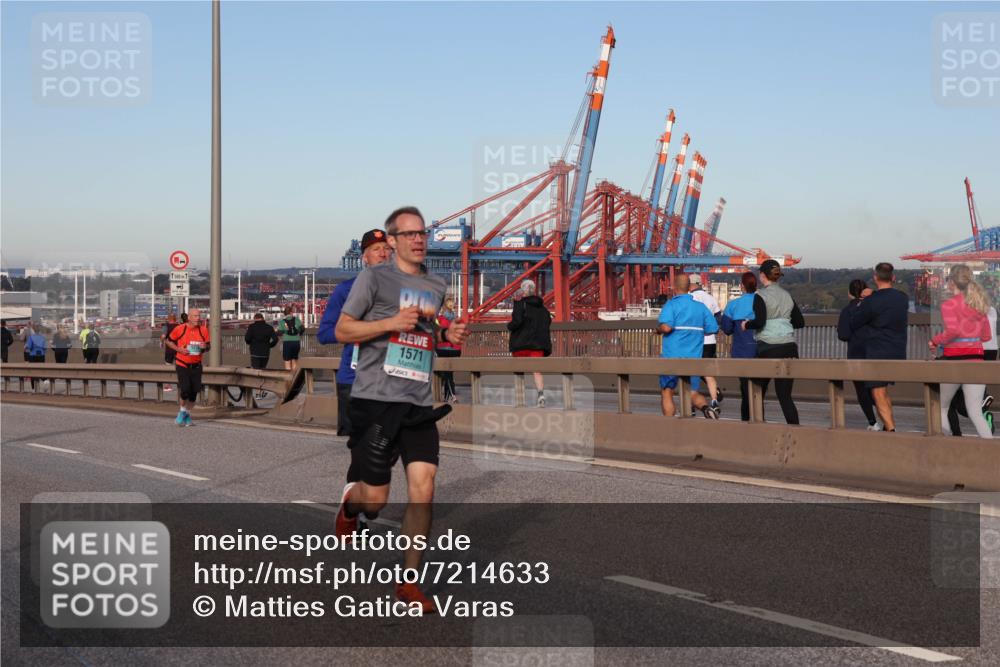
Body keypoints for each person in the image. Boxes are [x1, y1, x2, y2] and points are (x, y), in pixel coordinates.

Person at [333, 205, 468, 613]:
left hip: (417, 402)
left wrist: (446, 330)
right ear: (391, 241)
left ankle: (409, 583)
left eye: (422, 233)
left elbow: (427, 327)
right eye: (408, 234)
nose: (418, 239)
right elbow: (342, 329)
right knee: (375, 501)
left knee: (423, 489)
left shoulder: (436, 285)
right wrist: (389, 323)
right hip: (375, 399)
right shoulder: (372, 277)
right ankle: (351, 506)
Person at [317, 228, 392, 437]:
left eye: (387, 248)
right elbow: (324, 334)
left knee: (388, 452)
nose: (383, 253)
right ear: (364, 258)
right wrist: (360, 329)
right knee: (361, 455)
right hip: (355, 381)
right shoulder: (346, 290)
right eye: (376, 249)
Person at [930, 264, 993, 439]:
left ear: (951, 282)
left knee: (942, 407)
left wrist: (934, 341)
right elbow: (986, 336)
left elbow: (953, 331)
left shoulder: (949, 305)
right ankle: (993, 452)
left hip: (954, 362)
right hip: (976, 361)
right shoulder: (979, 304)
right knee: (975, 413)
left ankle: (949, 445)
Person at [848, 262, 909, 432]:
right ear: (894, 278)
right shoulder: (902, 298)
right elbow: (889, 299)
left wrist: (866, 299)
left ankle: (890, 429)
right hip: (898, 350)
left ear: (875, 278)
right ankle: (889, 425)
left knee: (877, 392)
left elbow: (854, 322)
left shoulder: (871, 301)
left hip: (877, 351)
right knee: (883, 391)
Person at [744, 259, 805, 425]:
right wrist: (782, 322)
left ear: (762, 275)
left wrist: (746, 324)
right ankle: (795, 429)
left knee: (757, 390)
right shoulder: (787, 295)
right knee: (785, 396)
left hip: (769, 348)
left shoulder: (760, 295)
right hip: (790, 348)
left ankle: (759, 428)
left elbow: (760, 322)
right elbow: (800, 322)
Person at [658, 274, 720, 419]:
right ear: (688, 287)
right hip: (693, 357)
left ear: (674, 287)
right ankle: (706, 408)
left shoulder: (671, 305)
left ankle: (668, 425)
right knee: (692, 393)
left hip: (671, 357)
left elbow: (666, 328)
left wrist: (659, 329)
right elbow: (713, 328)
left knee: (667, 391)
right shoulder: (700, 307)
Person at [837, 279, 881, 430]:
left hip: (856, 354)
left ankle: (873, 422)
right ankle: (887, 420)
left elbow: (843, 335)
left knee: (862, 391)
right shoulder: (875, 308)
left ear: (850, 294)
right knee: (877, 390)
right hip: (876, 353)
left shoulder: (847, 311)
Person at [507, 279, 552, 407]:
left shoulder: (520, 304)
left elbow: (516, 322)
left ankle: (520, 399)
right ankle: (541, 396)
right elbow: (547, 323)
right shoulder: (544, 309)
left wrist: (509, 326)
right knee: (536, 371)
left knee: (519, 370)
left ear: (523, 291)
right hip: (538, 345)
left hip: (520, 344)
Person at [720, 271, 758, 422]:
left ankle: (746, 420)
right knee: (758, 388)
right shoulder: (763, 303)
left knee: (745, 390)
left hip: (742, 351)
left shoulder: (733, 305)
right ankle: (759, 417)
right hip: (761, 351)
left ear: (742, 286)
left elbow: (727, 329)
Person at [164, 307, 211, 426]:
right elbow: (168, 341)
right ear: (189, 317)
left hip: (196, 365)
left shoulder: (203, 330)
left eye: (199, 316)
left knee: (194, 392)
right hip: (182, 363)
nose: (198, 318)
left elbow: (208, 347)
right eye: (195, 316)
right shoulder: (180, 329)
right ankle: (181, 412)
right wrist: (179, 349)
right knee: (185, 390)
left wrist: (204, 347)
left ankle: (187, 414)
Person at [688, 274, 723, 412]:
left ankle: (691, 405)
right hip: (710, 341)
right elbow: (719, 319)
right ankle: (714, 401)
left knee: (692, 373)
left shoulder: (691, 298)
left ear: (690, 285)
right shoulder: (710, 298)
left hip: (695, 341)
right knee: (708, 373)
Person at [436, 296, 462, 403]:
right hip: (456, 349)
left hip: (443, 348)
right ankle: (448, 395)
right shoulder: (457, 320)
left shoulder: (441, 320)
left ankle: (452, 395)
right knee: (449, 373)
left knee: (446, 374)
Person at [277, 306, 304, 373]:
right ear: (291, 312)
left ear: (285, 313)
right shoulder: (297, 319)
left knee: (287, 361)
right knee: (294, 360)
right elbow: (302, 329)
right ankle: (295, 377)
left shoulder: (282, 322)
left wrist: (284, 332)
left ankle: (289, 378)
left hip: (287, 342)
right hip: (296, 342)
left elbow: (279, 332)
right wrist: (299, 334)